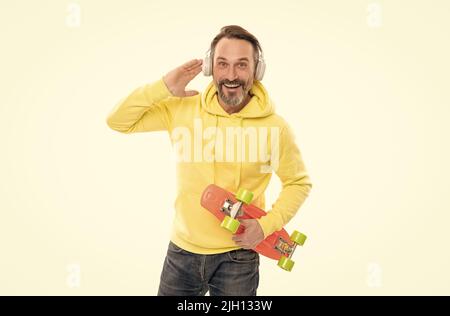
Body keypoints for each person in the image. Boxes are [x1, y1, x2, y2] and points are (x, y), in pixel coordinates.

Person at [106, 25, 312, 296]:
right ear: (210, 67)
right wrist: (164, 87)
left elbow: (298, 183)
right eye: (222, 64)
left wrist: (265, 226)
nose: (231, 75)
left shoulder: (275, 127)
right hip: (181, 253)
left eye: (242, 65)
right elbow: (118, 121)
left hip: (238, 257)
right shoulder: (181, 108)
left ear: (256, 70)